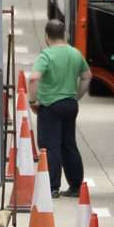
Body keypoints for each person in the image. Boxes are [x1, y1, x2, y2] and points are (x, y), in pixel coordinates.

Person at [28, 19, 92, 197]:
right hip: (70, 105)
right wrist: (75, 95)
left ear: (47, 36)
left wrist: (33, 101)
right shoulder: (75, 54)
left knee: (50, 146)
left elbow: (34, 78)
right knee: (69, 145)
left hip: (50, 106)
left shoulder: (46, 56)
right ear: (64, 34)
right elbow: (87, 76)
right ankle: (76, 186)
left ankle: (52, 187)